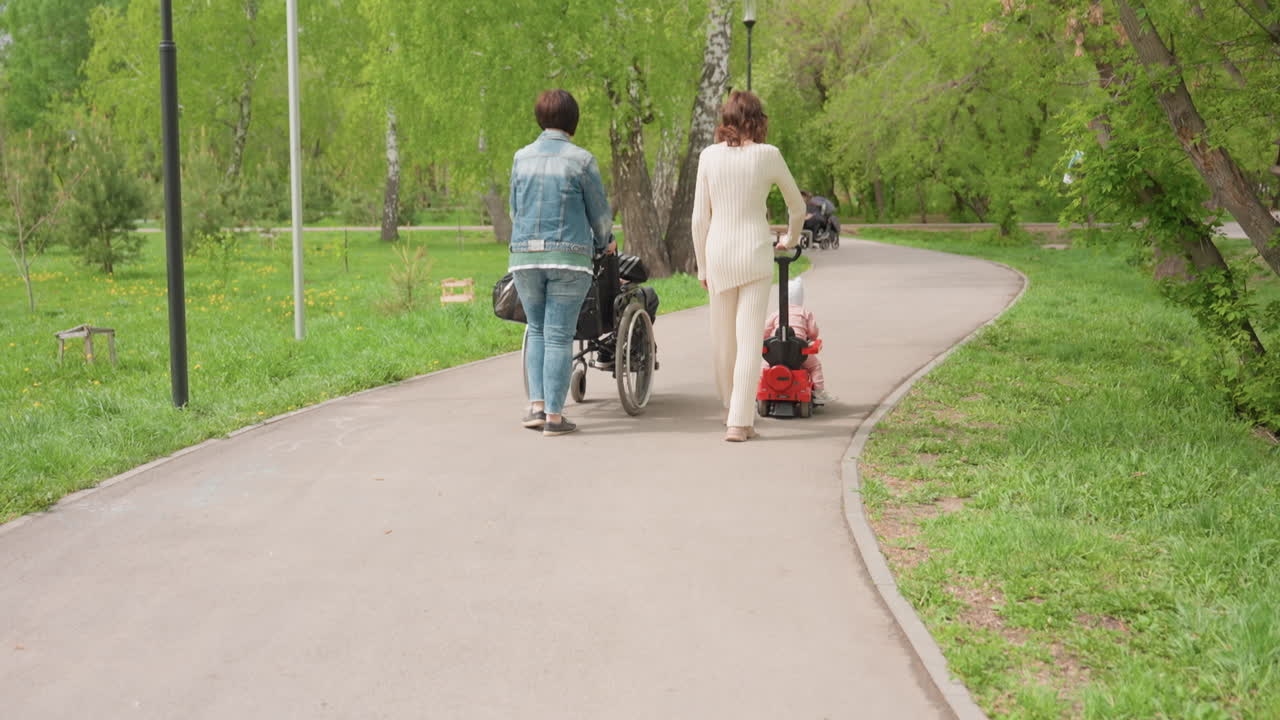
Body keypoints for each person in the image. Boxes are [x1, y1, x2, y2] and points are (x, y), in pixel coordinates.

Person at [692, 90, 806, 442]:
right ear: (758, 120)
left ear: (726, 119)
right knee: (748, 340)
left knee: (723, 342)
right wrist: (790, 239)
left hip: (719, 256)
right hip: (755, 254)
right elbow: (798, 206)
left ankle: (731, 407)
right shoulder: (768, 155)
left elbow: (699, 219)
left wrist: (702, 266)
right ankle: (740, 422)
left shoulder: (708, 156)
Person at [509, 89, 614, 437]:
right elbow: (599, 214)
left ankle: (536, 407)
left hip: (524, 257)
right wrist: (605, 242)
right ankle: (554, 418)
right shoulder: (581, 160)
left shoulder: (521, 158)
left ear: (540, 119)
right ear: (573, 121)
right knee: (558, 336)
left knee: (537, 329)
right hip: (568, 258)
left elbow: (514, 210)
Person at [763, 277, 836, 405]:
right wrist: (811, 337)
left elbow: (764, 332)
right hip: (798, 353)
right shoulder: (805, 313)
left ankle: (760, 386)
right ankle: (819, 392)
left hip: (776, 353)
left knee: (764, 367)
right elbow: (813, 333)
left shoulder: (776, 313)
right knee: (815, 366)